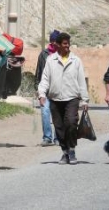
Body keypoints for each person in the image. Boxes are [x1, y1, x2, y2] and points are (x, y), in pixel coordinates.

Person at [38, 32, 89, 165]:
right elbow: (45, 79)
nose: (67, 46)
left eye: (68, 44)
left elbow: (81, 81)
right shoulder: (51, 60)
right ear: (58, 45)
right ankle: (65, 152)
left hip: (72, 98)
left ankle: (71, 149)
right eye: (65, 44)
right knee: (59, 127)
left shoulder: (76, 61)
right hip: (55, 99)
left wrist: (84, 100)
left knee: (71, 123)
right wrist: (42, 94)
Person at [35, 30, 60, 146]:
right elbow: (38, 72)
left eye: (56, 41)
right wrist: (37, 89)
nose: (54, 43)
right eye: (53, 40)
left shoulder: (63, 54)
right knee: (45, 113)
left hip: (59, 90)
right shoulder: (43, 54)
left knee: (58, 114)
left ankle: (58, 138)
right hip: (45, 90)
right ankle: (47, 137)